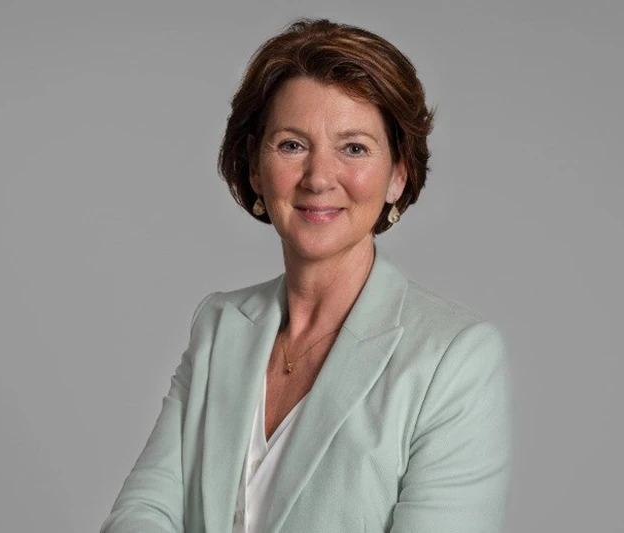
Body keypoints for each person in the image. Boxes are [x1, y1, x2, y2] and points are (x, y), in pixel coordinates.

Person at [100, 18, 512, 533]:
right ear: (255, 168)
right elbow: (140, 514)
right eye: (292, 145)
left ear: (398, 175)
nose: (319, 177)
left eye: (354, 148)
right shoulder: (218, 326)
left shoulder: (454, 358)